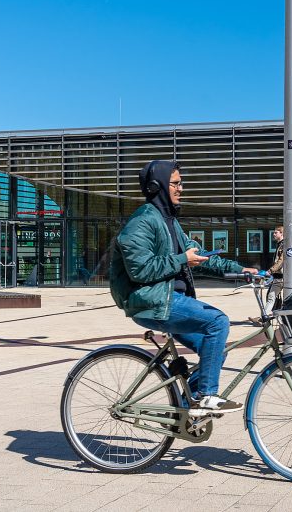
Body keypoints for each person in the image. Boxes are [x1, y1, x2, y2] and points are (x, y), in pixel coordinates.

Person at [108, 160, 257, 415]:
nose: (181, 188)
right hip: (149, 300)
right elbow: (140, 270)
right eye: (175, 183)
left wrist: (240, 269)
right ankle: (205, 395)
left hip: (168, 299)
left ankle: (186, 410)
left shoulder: (169, 221)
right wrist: (181, 259)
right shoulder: (142, 222)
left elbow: (198, 255)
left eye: (180, 183)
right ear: (157, 187)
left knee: (215, 350)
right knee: (218, 322)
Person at [248, 226, 286, 325]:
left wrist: (270, 271)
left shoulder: (284, 245)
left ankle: (283, 319)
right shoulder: (279, 245)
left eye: (276, 232)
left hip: (284, 277)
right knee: (271, 297)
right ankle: (263, 318)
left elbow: (281, 261)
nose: (274, 234)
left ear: (282, 234)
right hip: (278, 277)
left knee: (283, 298)